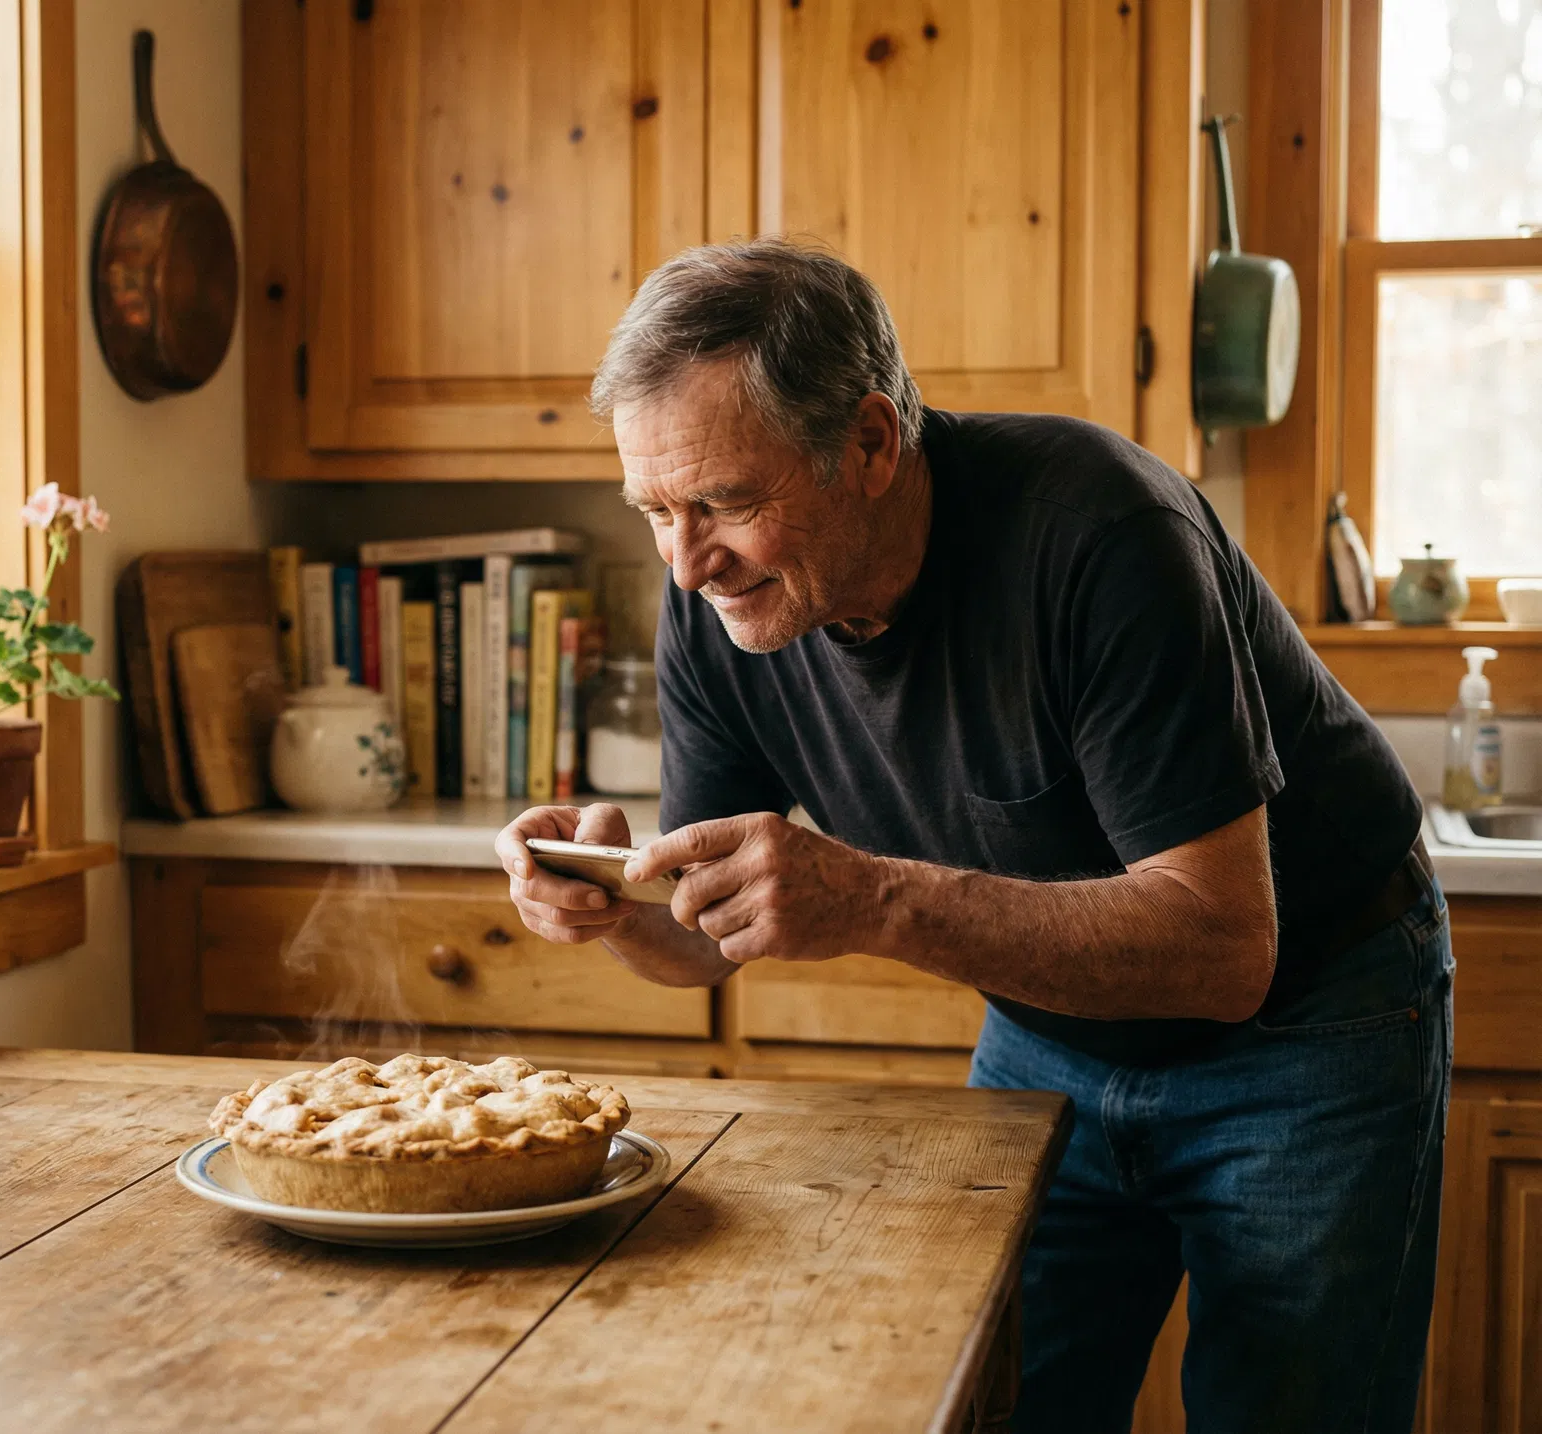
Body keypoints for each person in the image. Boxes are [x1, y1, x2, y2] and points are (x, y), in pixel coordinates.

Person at [496, 239, 1450, 1434]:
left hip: (1313, 1016)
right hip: (1052, 1028)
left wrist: (876, 901)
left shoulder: (1099, 530)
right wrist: (612, 903)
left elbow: (1223, 950)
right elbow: (702, 946)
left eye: (728, 503)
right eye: (655, 511)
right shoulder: (719, 607)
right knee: (1005, 1403)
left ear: (874, 444)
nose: (687, 565)